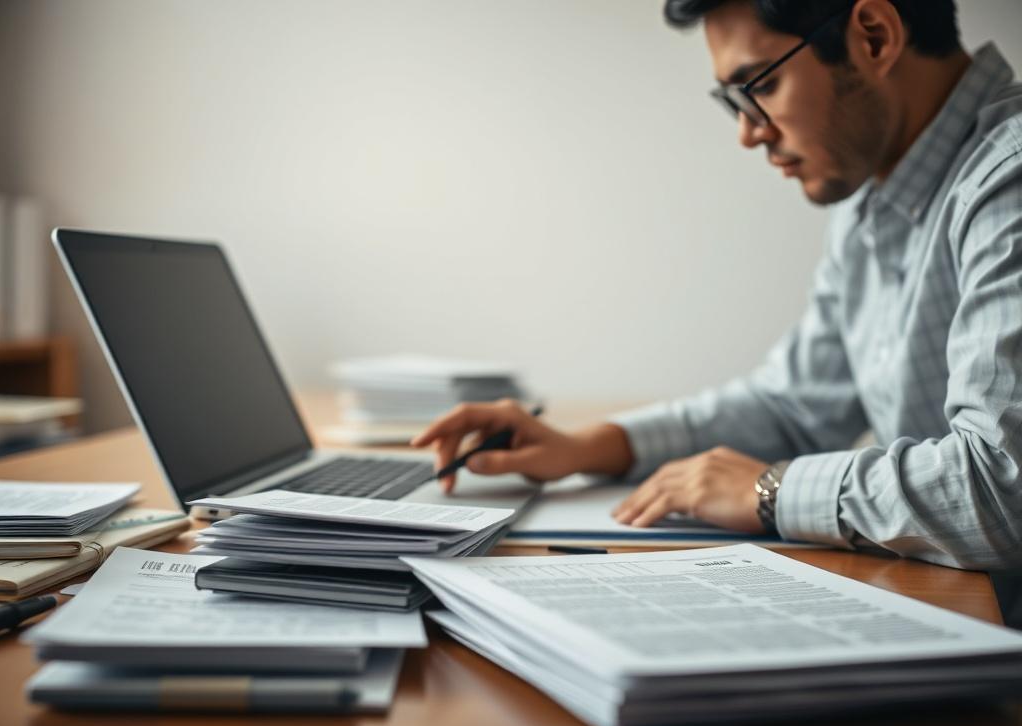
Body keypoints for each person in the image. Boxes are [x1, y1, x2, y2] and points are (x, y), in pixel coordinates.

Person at [412, 0, 1022, 573]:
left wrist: (769, 491)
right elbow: (793, 406)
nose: (748, 133)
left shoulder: (1009, 180)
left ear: (874, 37)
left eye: (760, 86)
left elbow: (1001, 488)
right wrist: (586, 447)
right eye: (733, 99)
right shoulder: (872, 197)